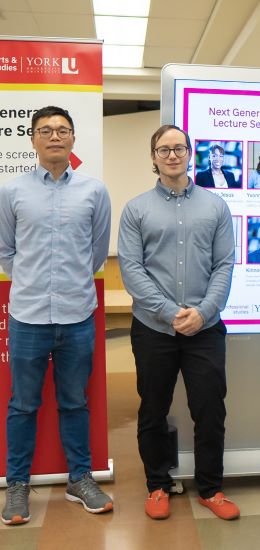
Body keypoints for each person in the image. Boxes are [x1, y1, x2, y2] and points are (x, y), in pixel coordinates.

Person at [118, 125, 239, 521]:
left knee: (210, 410)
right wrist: (171, 313)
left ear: (190, 154)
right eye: (164, 149)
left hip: (206, 329)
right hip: (154, 329)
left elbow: (224, 264)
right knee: (153, 408)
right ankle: (157, 485)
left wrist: (203, 312)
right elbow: (132, 270)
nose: (172, 155)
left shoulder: (216, 206)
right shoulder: (136, 209)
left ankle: (211, 488)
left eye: (179, 148)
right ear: (153, 157)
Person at [0, 105, 113, 525]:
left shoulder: (93, 191)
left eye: (62, 130)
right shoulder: (11, 191)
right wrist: (31, 280)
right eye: (45, 130)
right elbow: (5, 250)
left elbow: (98, 250)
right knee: (23, 405)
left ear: (72, 139)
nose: (54, 136)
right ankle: (17, 486)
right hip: (28, 315)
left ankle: (80, 479)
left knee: (73, 401)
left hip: (77, 314)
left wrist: (69, 283)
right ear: (32, 139)